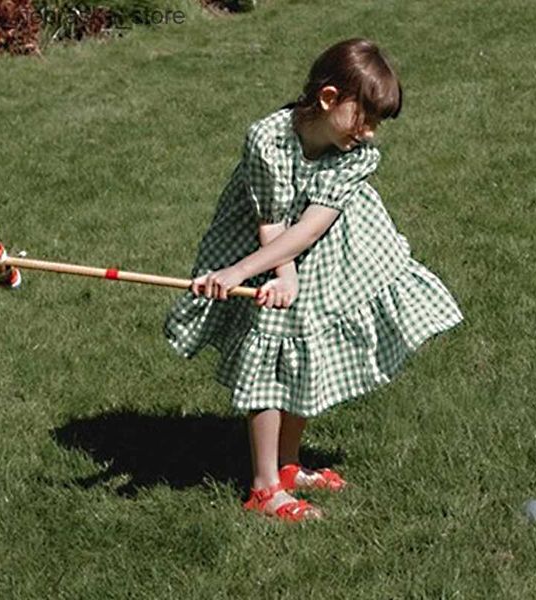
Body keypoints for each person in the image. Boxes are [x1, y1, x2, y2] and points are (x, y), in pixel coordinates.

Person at [163, 38, 463, 522]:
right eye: (364, 117)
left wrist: (293, 278)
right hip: (259, 242)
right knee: (269, 351)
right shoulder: (268, 139)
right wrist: (259, 274)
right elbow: (273, 219)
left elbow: (312, 226)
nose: (369, 133)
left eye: (377, 122)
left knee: (303, 346)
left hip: (326, 251)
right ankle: (263, 487)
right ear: (327, 99)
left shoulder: (357, 153)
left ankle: (286, 467)